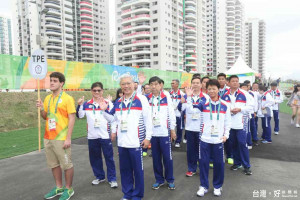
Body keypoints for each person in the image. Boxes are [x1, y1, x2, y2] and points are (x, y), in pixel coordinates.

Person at [99, 74, 152, 200]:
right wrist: (103, 111)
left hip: (136, 142)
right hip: (122, 143)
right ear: (120, 86)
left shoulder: (141, 99)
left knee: (138, 171)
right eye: (123, 84)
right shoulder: (118, 101)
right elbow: (113, 119)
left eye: (128, 83)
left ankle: (137, 195)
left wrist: (148, 137)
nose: (126, 86)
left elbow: (148, 119)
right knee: (125, 170)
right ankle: (127, 193)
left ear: (134, 84)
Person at [185, 79, 231, 197]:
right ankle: (203, 186)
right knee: (204, 163)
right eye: (209, 89)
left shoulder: (225, 105)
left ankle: (217, 186)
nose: (211, 91)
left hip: (218, 140)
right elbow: (191, 110)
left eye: (213, 88)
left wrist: (226, 135)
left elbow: (227, 122)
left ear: (218, 89)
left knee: (219, 164)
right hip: (205, 140)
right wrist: (189, 97)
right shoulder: (203, 104)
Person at [36, 72, 76, 200]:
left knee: (66, 164)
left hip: (61, 137)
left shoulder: (68, 98)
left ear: (61, 83)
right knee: (53, 164)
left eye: (55, 81)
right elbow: (45, 117)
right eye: (51, 80)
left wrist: (68, 138)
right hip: (48, 137)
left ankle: (69, 189)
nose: (52, 83)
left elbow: (71, 118)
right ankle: (59, 187)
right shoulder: (48, 98)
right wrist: (42, 108)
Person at [76, 82, 118, 188]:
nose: (97, 92)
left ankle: (112, 178)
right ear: (91, 91)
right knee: (95, 158)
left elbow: (113, 119)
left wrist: (113, 132)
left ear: (102, 91)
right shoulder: (86, 103)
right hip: (92, 136)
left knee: (109, 157)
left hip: (105, 135)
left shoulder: (108, 102)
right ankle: (100, 176)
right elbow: (80, 116)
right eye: (94, 90)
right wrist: (79, 105)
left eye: (99, 90)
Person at [145, 76, 177, 190]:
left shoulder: (166, 96)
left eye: (156, 84)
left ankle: (170, 179)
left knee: (167, 158)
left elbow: (171, 114)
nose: (153, 87)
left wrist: (172, 130)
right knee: (156, 158)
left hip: (164, 133)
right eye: (151, 84)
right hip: (152, 134)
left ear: (160, 85)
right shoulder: (146, 98)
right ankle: (159, 180)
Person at [179, 76, 209, 177]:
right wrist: (183, 100)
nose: (195, 84)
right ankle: (191, 169)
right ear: (191, 84)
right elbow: (181, 108)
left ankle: (202, 168)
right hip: (190, 127)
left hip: (201, 128)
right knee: (191, 150)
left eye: (197, 83)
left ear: (201, 85)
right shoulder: (187, 96)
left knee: (202, 150)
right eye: (193, 83)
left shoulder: (206, 97)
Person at [227, 75, 254, 175]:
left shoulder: (245, 94)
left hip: (241, 123)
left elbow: (252, 106)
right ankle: (237, 163)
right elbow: (223, 106)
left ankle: (246, 166)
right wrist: (229, 111)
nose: (235, 83)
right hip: (229, 124)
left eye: (236, 81)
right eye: (232, 81)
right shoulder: (225, 94)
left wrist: (240, 109)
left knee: (242, 144)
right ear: (228, 83)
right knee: (233, 144)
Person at [240, 83, 256, 149]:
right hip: (240, 115)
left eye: (245, 87)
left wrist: (254, 112)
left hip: (247, 114)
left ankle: (249, 143)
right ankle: (244, 143)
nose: (244, 89)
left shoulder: (249, 95)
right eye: (242, 87)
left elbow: (253, 104)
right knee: (242, 130)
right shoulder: (239, 94)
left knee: (247, 129)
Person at [170, 79, 185, 148]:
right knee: (171, 127)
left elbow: (184, 104)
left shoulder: (182, 94)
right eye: (171, 83)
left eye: (173, 83)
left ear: (177, 85)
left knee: (179, 128)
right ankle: (171, 139)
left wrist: (179, 107)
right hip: (171, 114)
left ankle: (178, 141)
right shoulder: (169, 93)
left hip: (178, 114)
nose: (172, 84)